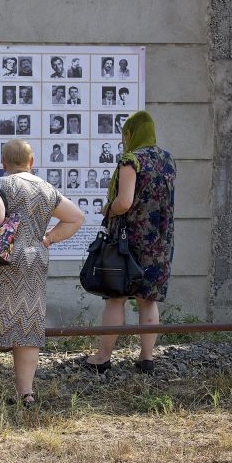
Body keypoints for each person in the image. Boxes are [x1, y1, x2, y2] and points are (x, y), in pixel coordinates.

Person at [0, 139, 83, 410]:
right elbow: (76, 217)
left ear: (4, 164)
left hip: (0, 264)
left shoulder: (2, 185)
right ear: (31, 162)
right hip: (34, 263)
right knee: (27, 326)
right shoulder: (46, 188)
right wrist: (47, 239)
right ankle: (26, 393)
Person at [83, 111, 176, 375]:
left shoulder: (130, 160)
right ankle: (146, 358)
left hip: (129, 243)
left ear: (131, 134)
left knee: (116, 298)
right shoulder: (168, 160)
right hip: (160, 242)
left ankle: (102, 357)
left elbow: (124, 202)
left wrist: (107, 210)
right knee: (148, 301)